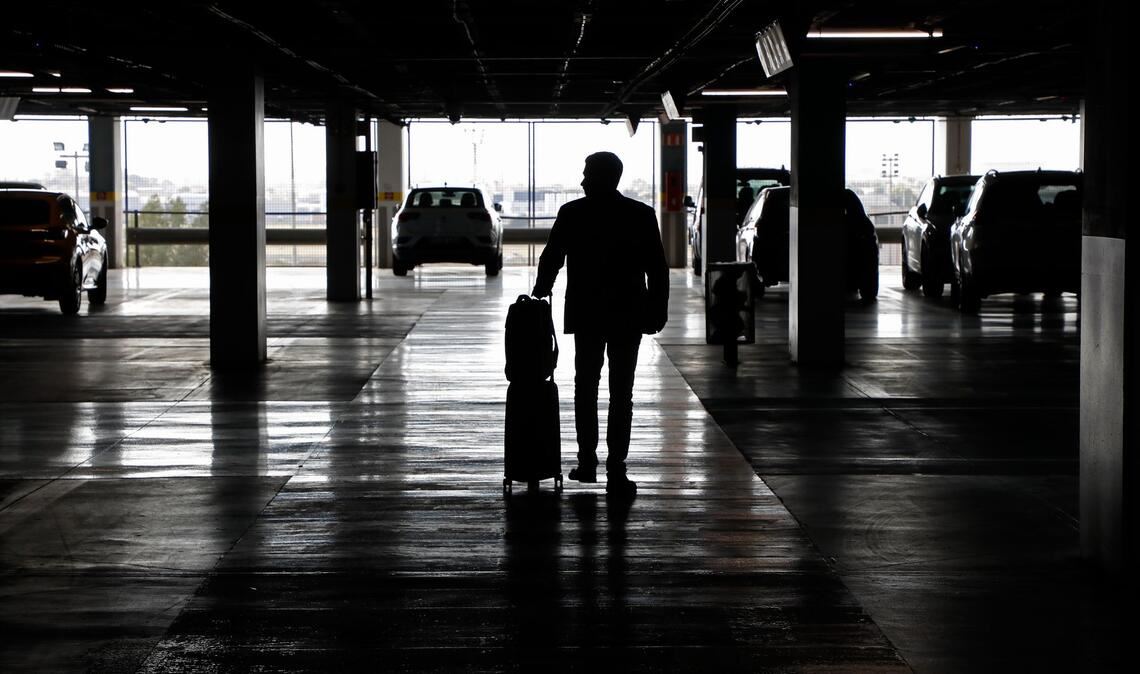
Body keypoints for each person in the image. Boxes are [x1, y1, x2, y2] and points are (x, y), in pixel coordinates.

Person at [531, 151, 669, 497]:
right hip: (628, 313)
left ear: (601, 177)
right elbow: (657, 268)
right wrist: (657, 310)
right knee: (622, 393)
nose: (582, 181)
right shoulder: (640, 214)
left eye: (587, 174)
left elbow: (552, 256)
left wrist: (540, 291)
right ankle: (616, 468)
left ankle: (587, 462)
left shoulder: (573, 213)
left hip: (587, 312)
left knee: (586, 387)